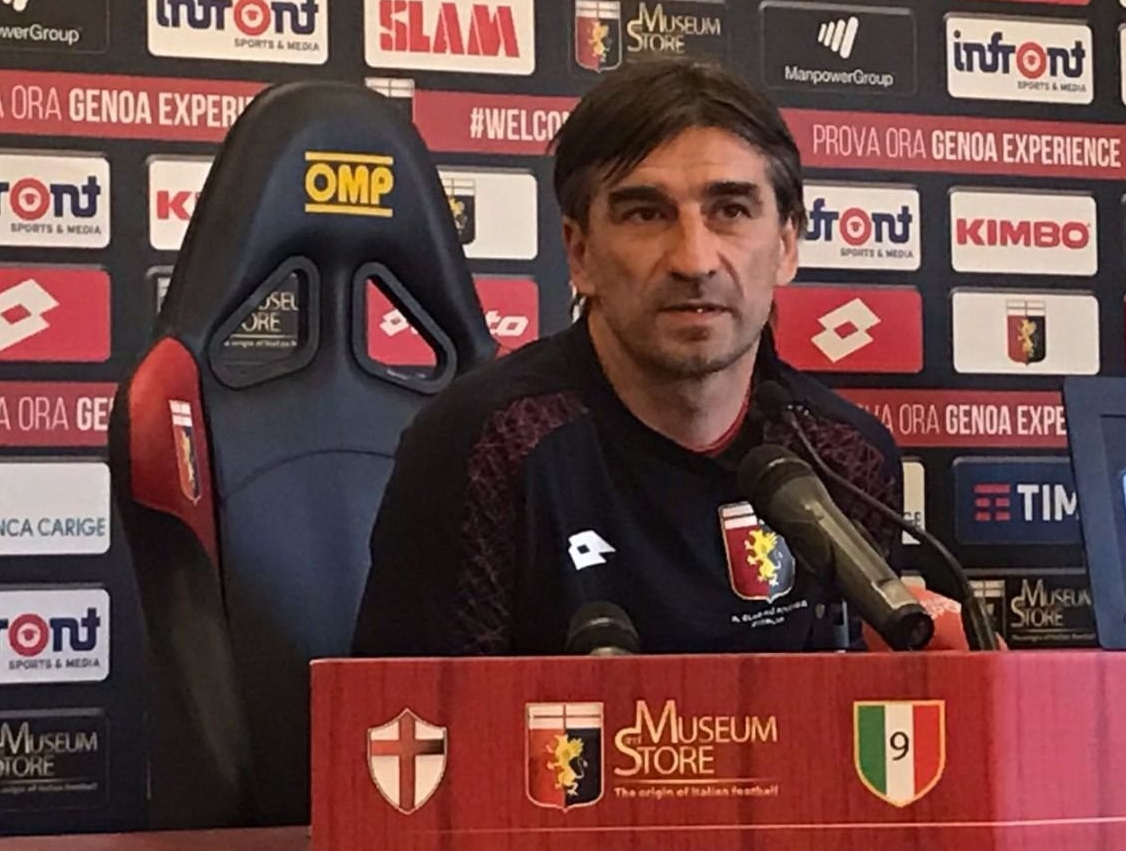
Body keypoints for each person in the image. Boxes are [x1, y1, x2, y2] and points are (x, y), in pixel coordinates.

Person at [352, 57, 902, 656]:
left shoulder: (846, 459)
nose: (694, 261)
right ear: (580, 252)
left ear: (787, 245)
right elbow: (416, 708)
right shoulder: (485, 445)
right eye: (646, 214)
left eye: (731, 211)